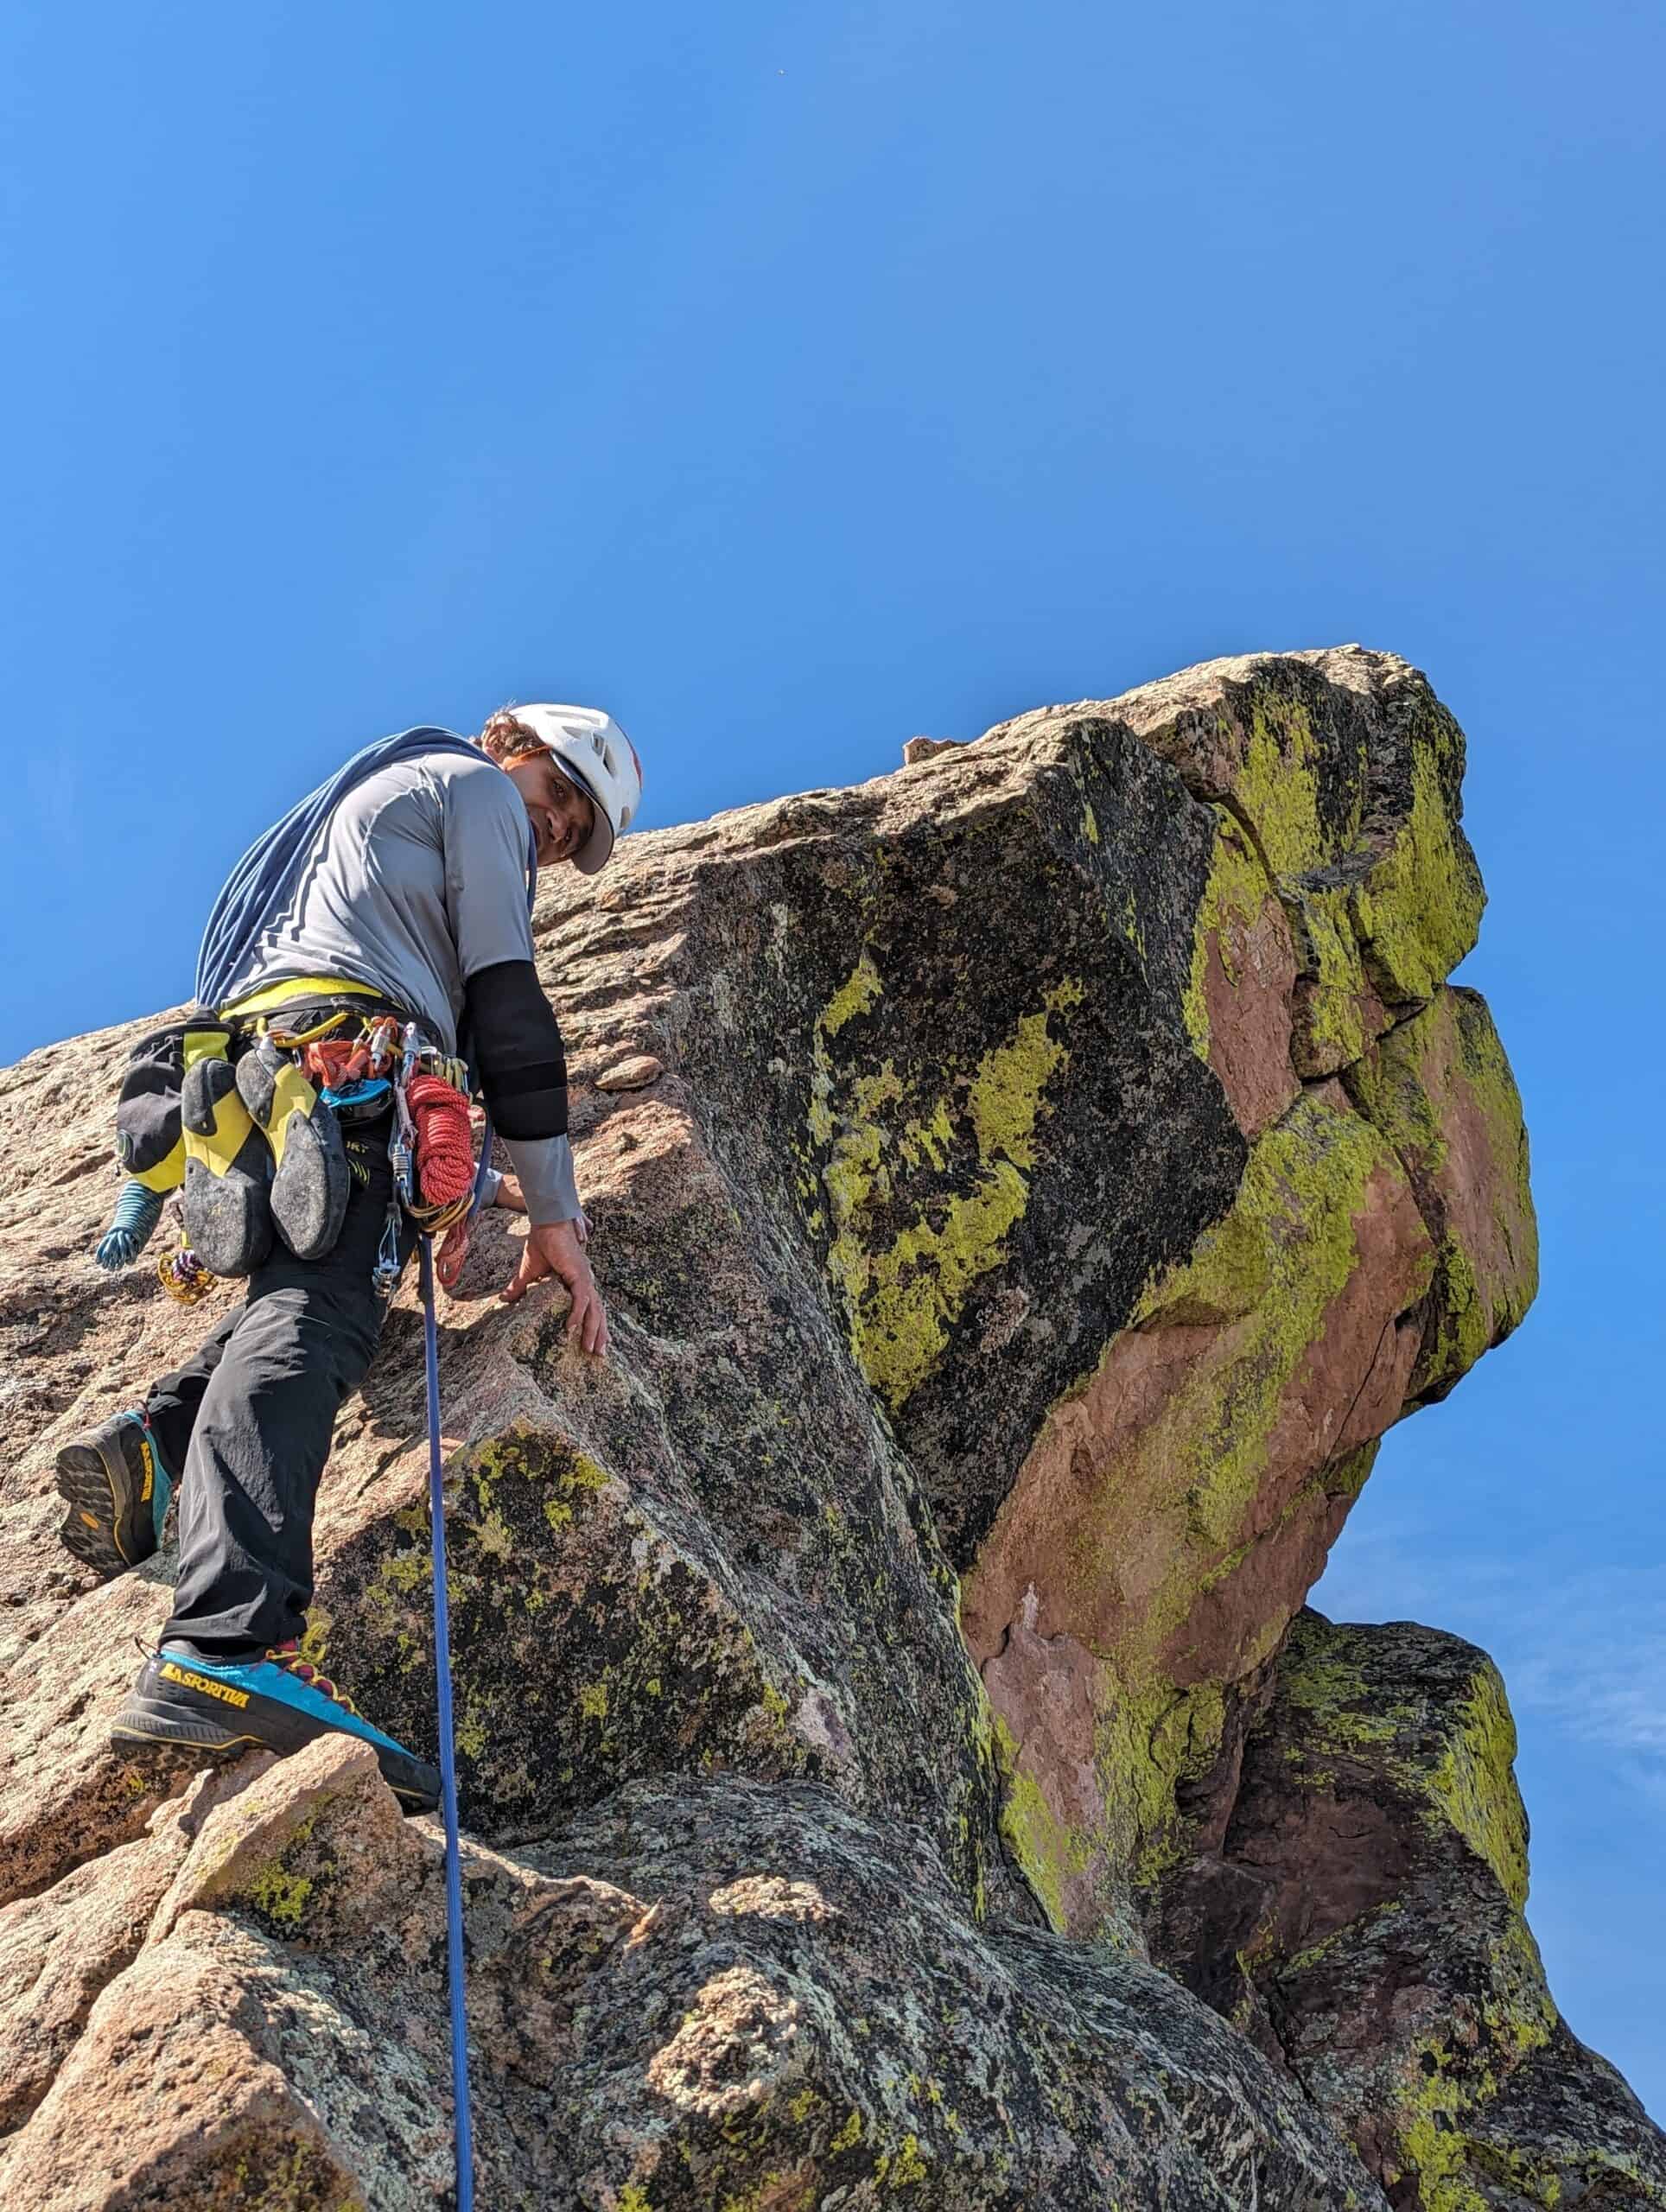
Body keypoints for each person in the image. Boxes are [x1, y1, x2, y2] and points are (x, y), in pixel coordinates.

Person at [55, 705, 642, 1810]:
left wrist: (478, 1176)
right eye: (557, 792)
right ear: (507, 744)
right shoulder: (471, 792)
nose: (555, 828)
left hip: (258, 1073)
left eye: (572, 825)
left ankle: (154, 1454)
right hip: (347, 1067)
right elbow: (507, 1006)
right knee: (320, 1313)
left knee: (298, 1290)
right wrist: (557, 1214)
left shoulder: (355, 811)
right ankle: (226, 1640)